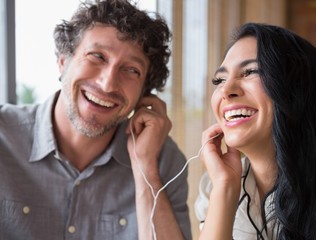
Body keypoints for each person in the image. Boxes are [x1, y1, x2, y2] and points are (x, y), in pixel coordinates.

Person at [0, 0, 191, 239]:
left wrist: (146, 171)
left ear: (144, 94)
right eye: (97, 56)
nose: (108, 83)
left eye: (131, 70)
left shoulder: (163, 161)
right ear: (63, 61)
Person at [195, 22, 316, 239]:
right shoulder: (215, 184)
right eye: (220, 79)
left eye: (250, 71)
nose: (226, 90)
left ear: (297, 90)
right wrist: (225, 188)